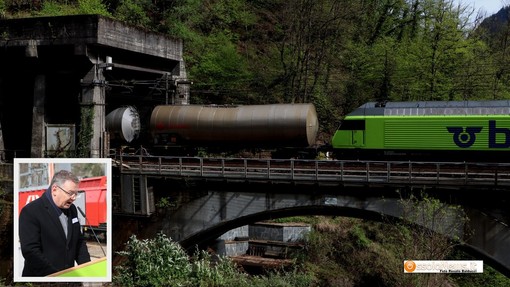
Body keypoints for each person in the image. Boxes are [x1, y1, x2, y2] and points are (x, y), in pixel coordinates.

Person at [19, 169, 91, 276]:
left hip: (68, 278)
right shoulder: (31, 211)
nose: (74, 198)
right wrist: (55, 277)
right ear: (55, 189)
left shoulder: (72, 209)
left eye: (76, 194)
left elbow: (78, 241)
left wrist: (87, 268)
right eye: (70, 193)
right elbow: (31, 251)